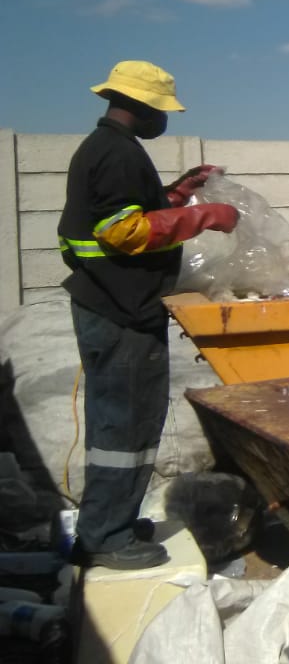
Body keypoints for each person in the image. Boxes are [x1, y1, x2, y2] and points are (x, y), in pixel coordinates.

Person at [57, 61, 240, 570]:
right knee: (124, 426)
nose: (165, 120)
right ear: (140, 108)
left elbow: (129, 213)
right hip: (120, 310)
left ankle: (111, 520)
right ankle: (104, 537)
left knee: (127, 423)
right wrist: (206, 216)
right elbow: (124, 232)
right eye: (161, 110)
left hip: (112, 302)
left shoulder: (109, 149)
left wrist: (180, 191)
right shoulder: (116, 155)